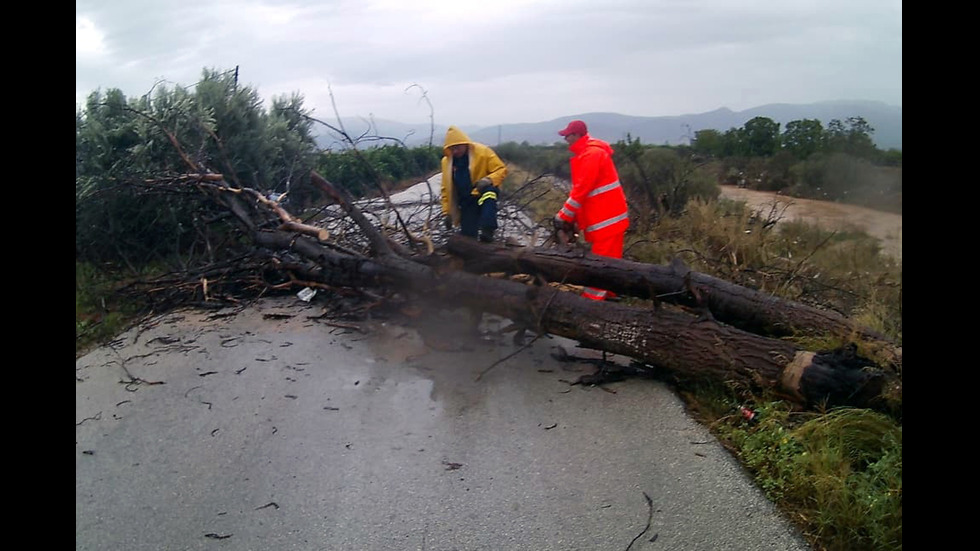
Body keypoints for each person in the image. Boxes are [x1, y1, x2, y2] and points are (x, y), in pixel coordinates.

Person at [554, 120, 630, 301]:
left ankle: (590, 302)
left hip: (606, 218)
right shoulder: (588, 153)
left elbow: (581, 190)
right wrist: (574, 220)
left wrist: (563, 216)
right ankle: (610, 294)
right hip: (607, 216)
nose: (565, 139)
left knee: (600, 263)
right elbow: (584, 192)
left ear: (578, 135)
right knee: (611, 261)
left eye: (568, 135)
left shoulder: (591, 155)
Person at [441, 126, 508, 243]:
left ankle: (488, 230)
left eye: (457, 148)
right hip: (467, 202)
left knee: (490, 194)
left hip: (482, 193)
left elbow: (501, 169)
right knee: (468, 238)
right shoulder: (447, 163)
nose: (455, 151)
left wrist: (488, 180)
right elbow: (445, 189)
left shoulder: (483, 152)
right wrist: (447, 212)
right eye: (452, 149)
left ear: (465, 143)